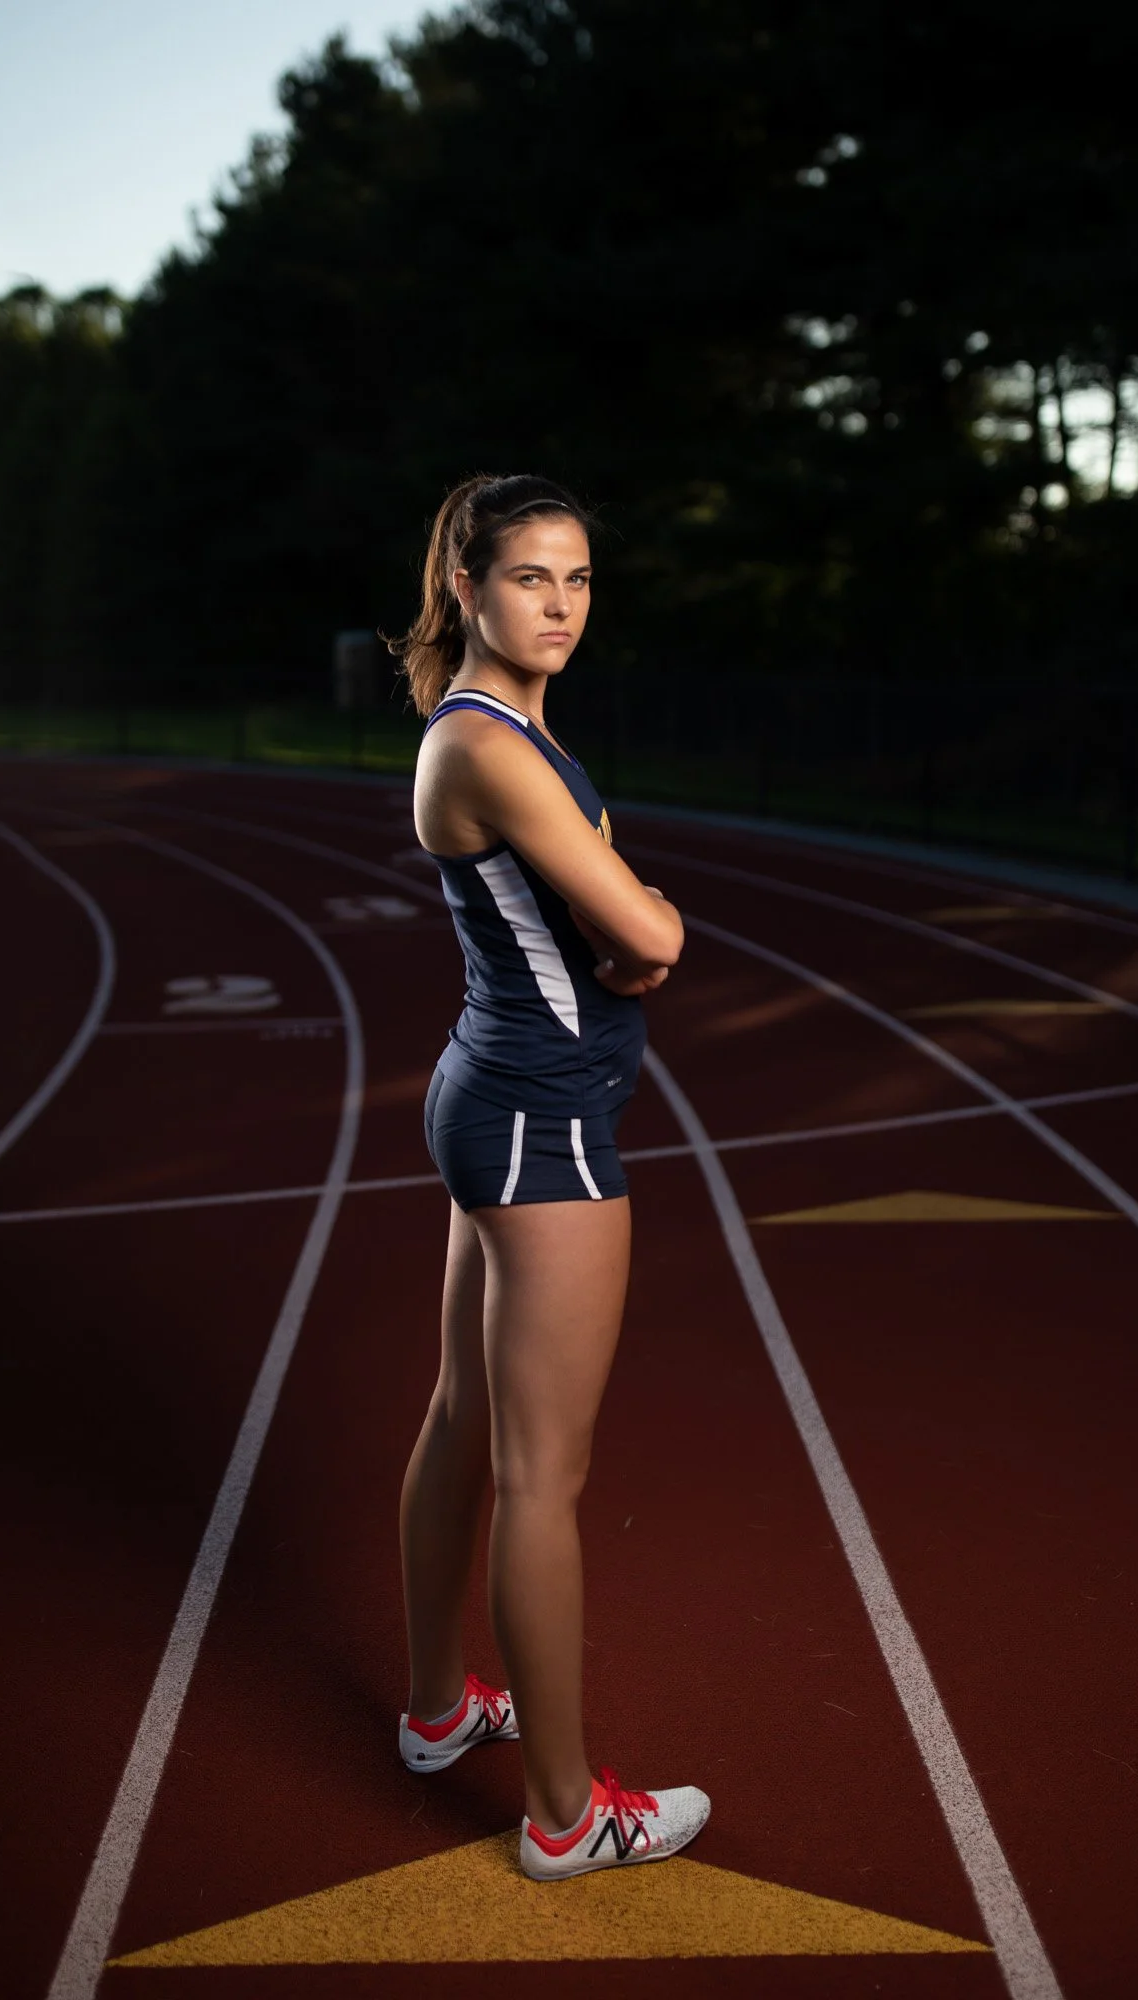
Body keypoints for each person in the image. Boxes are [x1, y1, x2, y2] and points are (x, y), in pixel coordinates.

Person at [390, 473, 710, 1882]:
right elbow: (644, 923)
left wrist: (638, 924)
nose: (563, 605)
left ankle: (438, 1707)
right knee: (541, 1477)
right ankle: (570, 1818)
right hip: (545, 1125)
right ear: (467, 587)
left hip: (497, 1099)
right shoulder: (486, 742)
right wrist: (650, 930)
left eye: (579, 578)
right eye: (532, 578)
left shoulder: (510, 721)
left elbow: (619, 905)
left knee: (468, 1417)